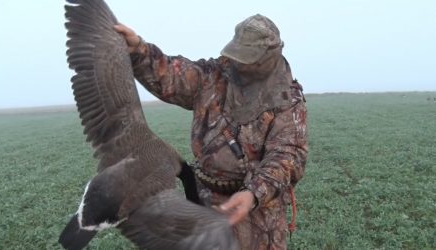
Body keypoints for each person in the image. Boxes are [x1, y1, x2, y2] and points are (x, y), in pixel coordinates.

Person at [115, 14, 307, 250]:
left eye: (249, 59)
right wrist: (139, 51)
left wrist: (252, 194)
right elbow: (173, 77)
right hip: (206, 203)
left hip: (258, 215)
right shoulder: (214, 75)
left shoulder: (286, 98)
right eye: (239, 56)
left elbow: (288, 157)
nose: (241, 64)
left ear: (270, 56)